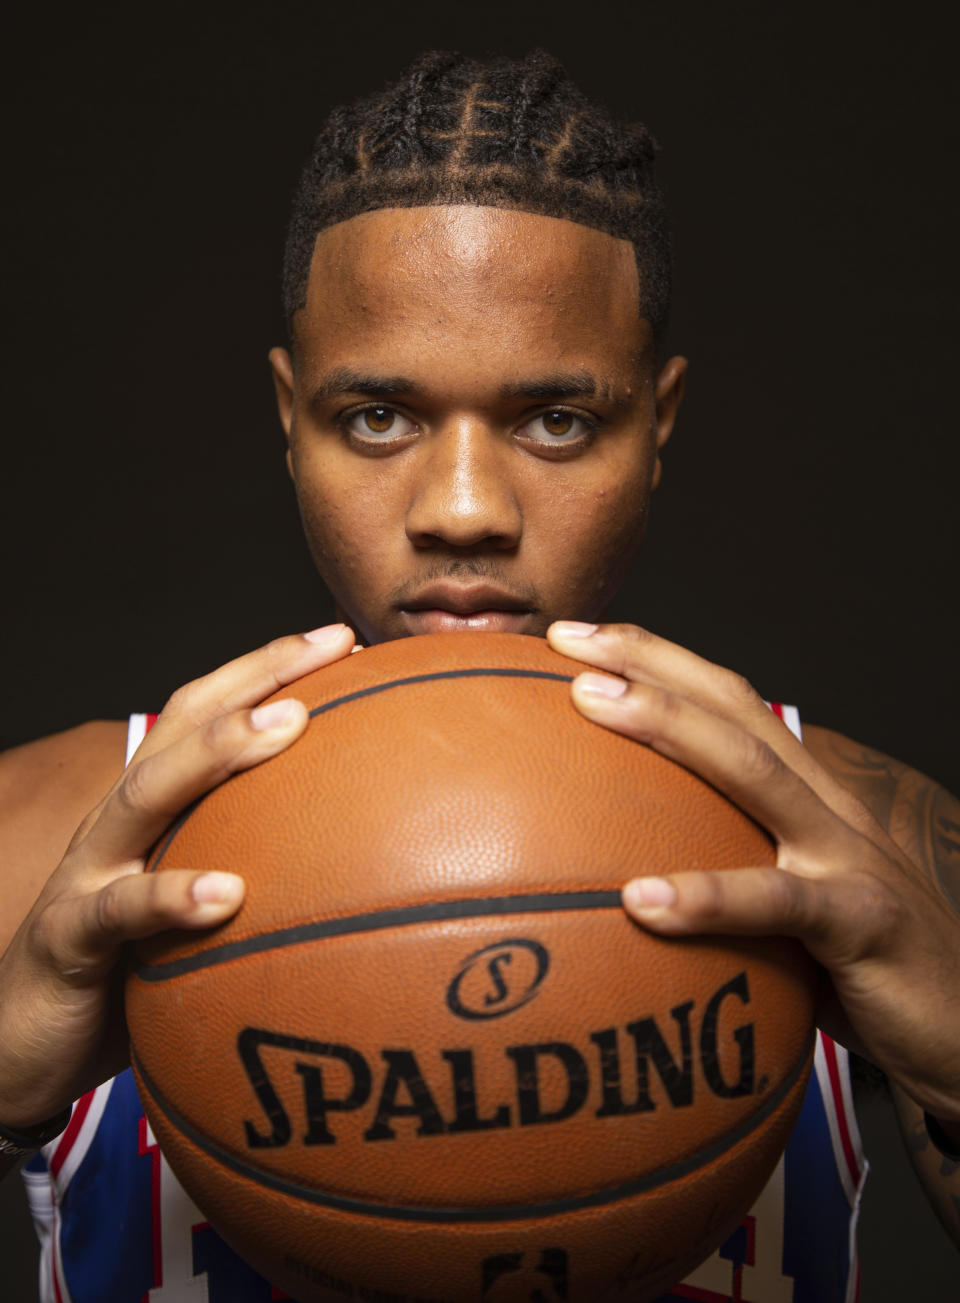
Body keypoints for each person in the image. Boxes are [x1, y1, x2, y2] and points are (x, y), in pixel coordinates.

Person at [0, 48, 957, 1302]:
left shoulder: (854, 845)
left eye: (557, 420)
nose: (462, 511)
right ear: (290, 421)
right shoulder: (38, 844)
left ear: (656, 429)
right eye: (378, 417)